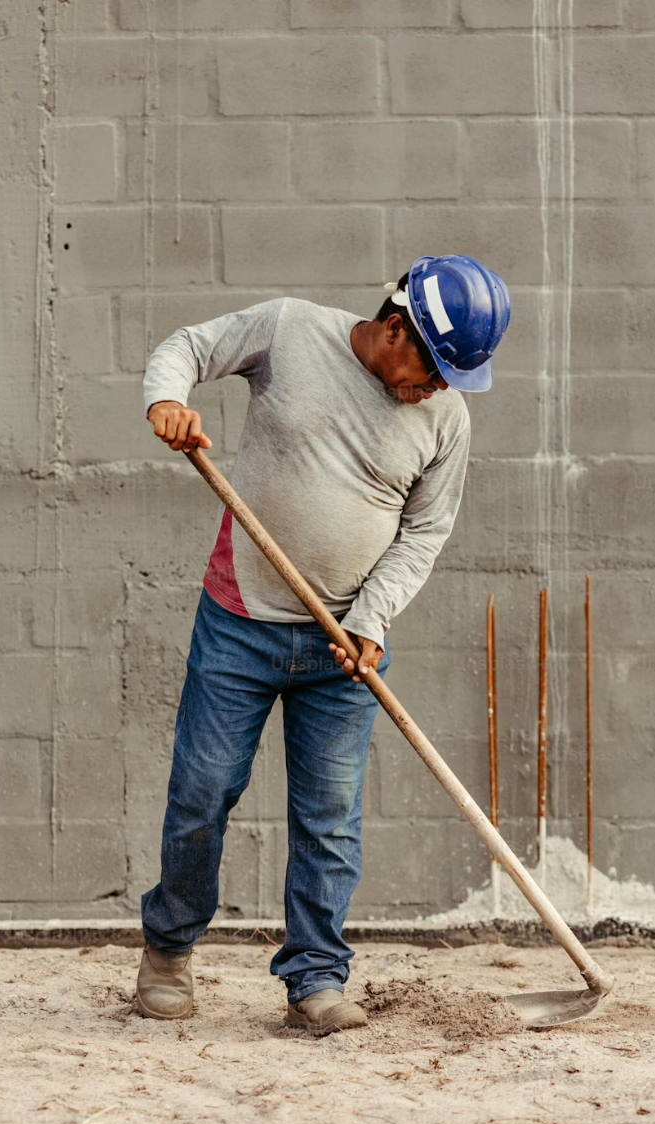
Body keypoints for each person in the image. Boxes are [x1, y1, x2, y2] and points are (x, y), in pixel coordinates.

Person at [137, 254, 510, 1034]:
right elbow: (185, 347)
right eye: (436, 368)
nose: (438, 387)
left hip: (346, 649)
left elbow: (424, 533)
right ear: (394, 327)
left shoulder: (446, 420)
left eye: (452, 378)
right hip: (240, 623)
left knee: (330, 820)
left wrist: (372, 619)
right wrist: (167, 399)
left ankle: (314, 978)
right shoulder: (288, 329)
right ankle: (168, 952)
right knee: (201, 796)